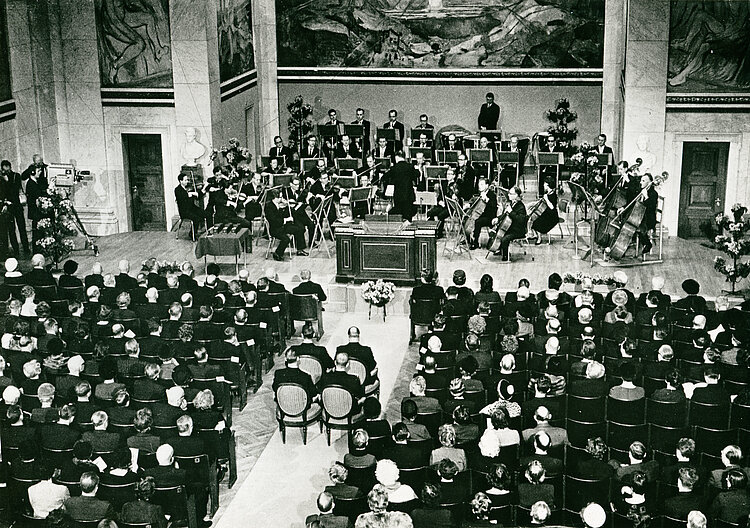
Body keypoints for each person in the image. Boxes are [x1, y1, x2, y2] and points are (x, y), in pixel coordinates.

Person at [266, 190, 308, 261]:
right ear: (275, 198)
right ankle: (278, 253)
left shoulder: (280, 205)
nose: (282, 199)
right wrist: (286, 219)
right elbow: (274, 221)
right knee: (286, 239)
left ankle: (300, 249)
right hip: (275, 229)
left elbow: (292, 213)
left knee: (300, 228)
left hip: (282, 226)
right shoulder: (269, 207)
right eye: (281, 197)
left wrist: (287, 207)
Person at [0, 160, 30, 255]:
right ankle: (16, 249)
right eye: (4, 169)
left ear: (10, 167)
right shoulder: (1, 179)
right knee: (11, 229)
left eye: (7, 168)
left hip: (16, 205)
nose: (6, 171)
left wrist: (6, 181)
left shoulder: (16, 176)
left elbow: (14, 189)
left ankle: (26, 248)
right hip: (9, 207)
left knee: (22, 227)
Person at [493, 186, 527, 261]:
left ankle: (505, 257)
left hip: (518, 230)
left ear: (516, 195)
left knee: (505, 238)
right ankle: (500, 249)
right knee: (497, 232)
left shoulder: (521, 207)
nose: (508, 195)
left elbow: (520, 220)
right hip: (511, 227)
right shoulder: (512, 203)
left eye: (511, 194)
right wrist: (497, 219)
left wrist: (511, 212)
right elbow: (505, 215)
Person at [384, 151, 417, 222]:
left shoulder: (394, 168)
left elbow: (385, 177)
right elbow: (417, 174)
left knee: (399, 217)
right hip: (408, 195)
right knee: (408, 217)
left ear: (397, 158)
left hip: (398, 196)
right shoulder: (410, 166)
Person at [468, 178, 498, 250]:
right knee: (468, 219)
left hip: (490, 217)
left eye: (482, 184)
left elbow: (493, 207)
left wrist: (487, 200)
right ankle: (468, 238)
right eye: (479, 184)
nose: (479, 186)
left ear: (487, 185)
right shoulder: (480, 193)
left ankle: (475, 242)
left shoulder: (491, 194)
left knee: (478, 222)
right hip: (481, 214)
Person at [528, 178, 559, 244]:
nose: (543, 185)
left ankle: (539, 238)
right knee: (534, 219)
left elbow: (552, 207)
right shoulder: (548, 193)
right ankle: (536, 235)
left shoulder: (553, 195)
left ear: (548, 185)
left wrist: (546, 199)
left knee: (537, 222)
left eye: (544, 184)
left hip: (552, 216)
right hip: (547, 212)